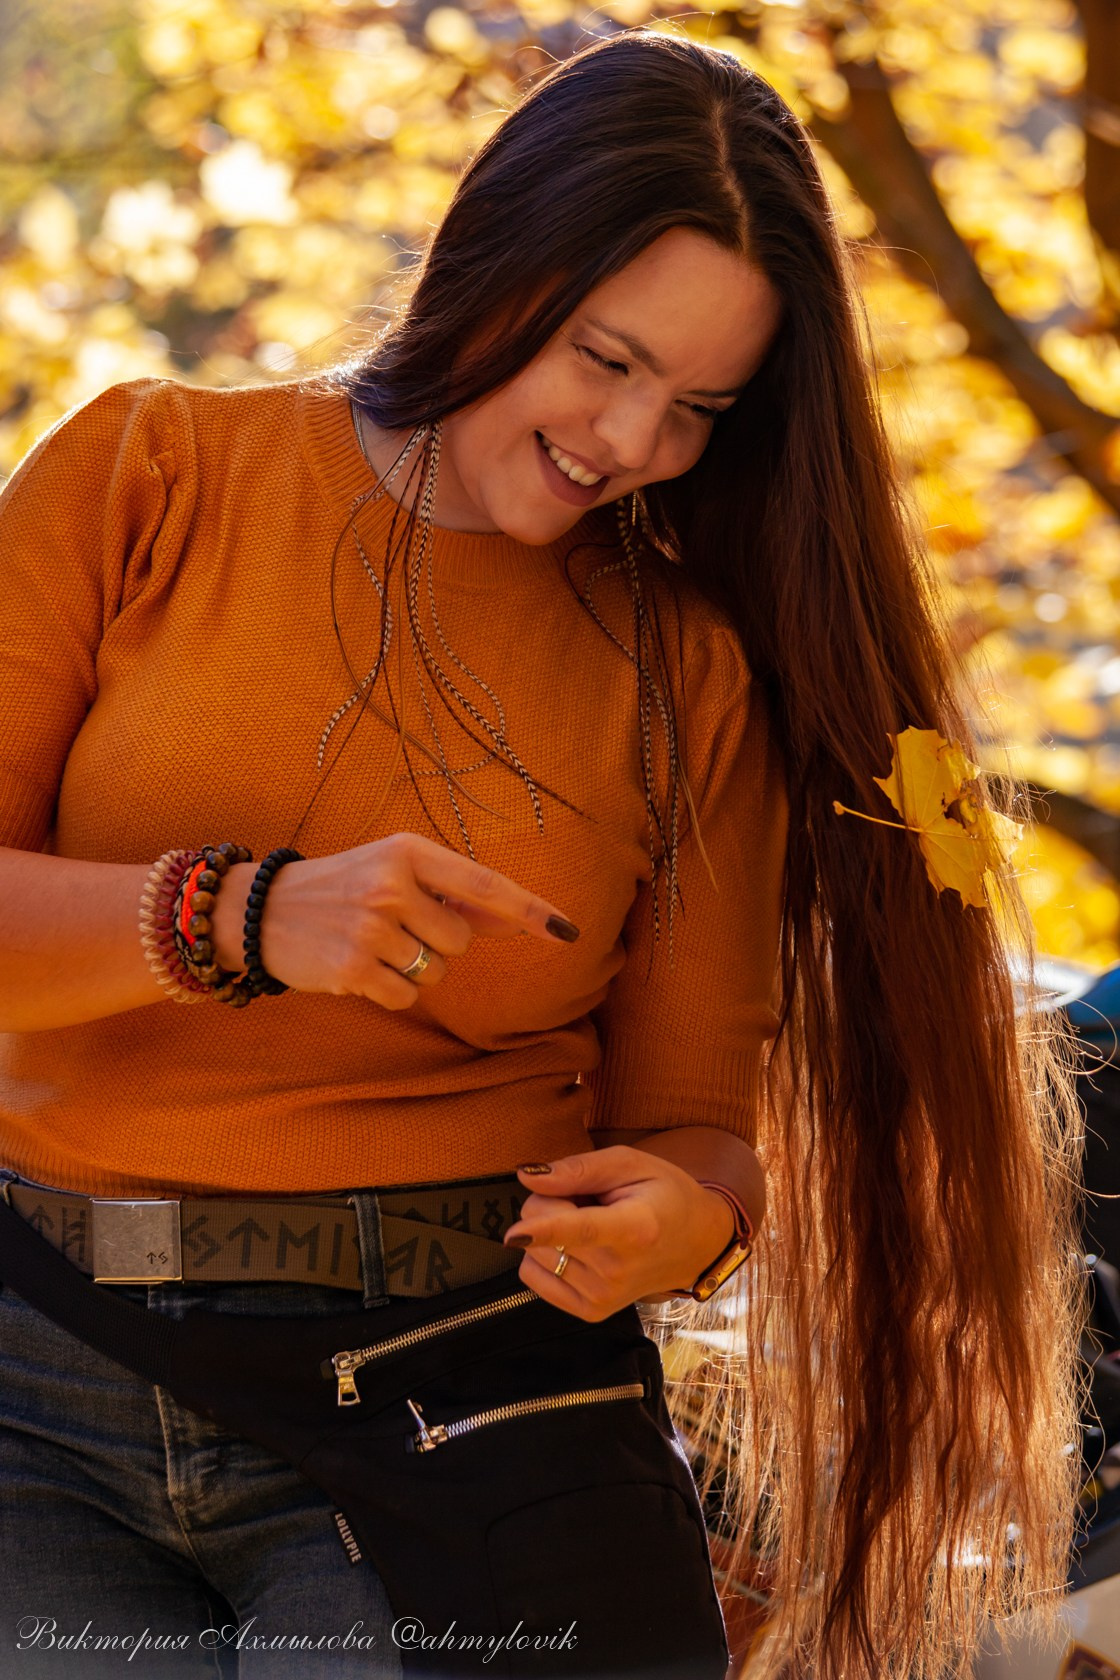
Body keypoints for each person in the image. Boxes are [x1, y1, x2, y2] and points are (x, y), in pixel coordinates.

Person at [0, 26, 1081, 1680]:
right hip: (34, 1371)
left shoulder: (690, 670)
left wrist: (690, 1225)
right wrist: (250, 915)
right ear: (492, 265)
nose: (636, 443)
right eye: (607, 359)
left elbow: (696, 1136)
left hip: (451, 1392)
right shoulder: (154, 471)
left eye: (700, 406)